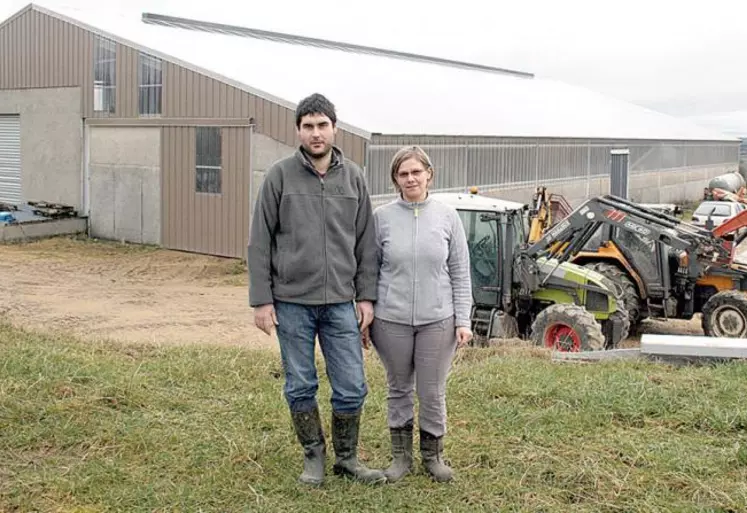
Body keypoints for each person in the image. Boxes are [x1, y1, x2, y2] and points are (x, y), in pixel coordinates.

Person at [247, 93, 385, 487]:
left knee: (352, 386)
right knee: (300, 383)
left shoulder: (353, 176)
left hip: (341, 302)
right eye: (308, 126)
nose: (316, 133)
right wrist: (261, 299)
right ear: (298, 131)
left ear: (334, 128)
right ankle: (314, 457)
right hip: (292, 304)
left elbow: (366, 242)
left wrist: (366, 296)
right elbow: (260, 240)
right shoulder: (280, 176)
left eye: (322, 125)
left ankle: (347, 458)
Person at [367, 145, 473, 483]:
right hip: (391, 320)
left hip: (437, 321)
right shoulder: (381, 218)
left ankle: (433, 456)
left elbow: (459, 271)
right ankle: (401, 458)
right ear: (395, 180)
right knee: (398, 388)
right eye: (403, 174)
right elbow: (369, 270)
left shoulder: (447, 217)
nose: (410, 178)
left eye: (416, 172)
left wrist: (463, 320)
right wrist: (367, 314)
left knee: (431, 390)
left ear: (429, 174)